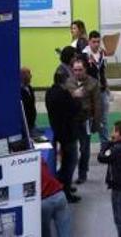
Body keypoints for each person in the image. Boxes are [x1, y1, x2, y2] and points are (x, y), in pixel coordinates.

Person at [46, 51, 84, 203]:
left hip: (59, 131)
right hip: (68, 133)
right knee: (70, 161)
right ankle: (66, 189)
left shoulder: (50, 92)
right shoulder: (63, 95)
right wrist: (76, 97)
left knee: (67, 161)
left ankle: (64, 184)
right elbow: (74, 108)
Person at [69, 57, 101, 184]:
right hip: (71, 121)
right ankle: (69, 173)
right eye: (75, 70)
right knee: (71, 148)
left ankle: (83, 173)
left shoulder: (93, 83)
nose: (77, 72)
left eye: (80, 70)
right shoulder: (69, 83)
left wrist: (96, 124)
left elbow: (97, 105)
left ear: (85, 70)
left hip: (85, 120)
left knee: (84, 149)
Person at [83, 30, 110, 143]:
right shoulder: (84, 55)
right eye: (94, 42)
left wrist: (107, 86)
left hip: (102, 91)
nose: (96, 44)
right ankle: (86, 146)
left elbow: (103, 71)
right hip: (89, 93)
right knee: (88, 119)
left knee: (103, 119)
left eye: (98, 42)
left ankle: (104, 146)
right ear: (89, 41)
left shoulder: (102, 54)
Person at [40, 158, 74, 237]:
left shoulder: (17, 168)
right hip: (59, 194)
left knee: (44, 232)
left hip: (43, 201)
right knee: (65, 233)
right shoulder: (38, 157)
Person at [20, 67, 37, 134]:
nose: (31, 76)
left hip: (32, 122)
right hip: (24, 123)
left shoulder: (30, 88)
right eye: (28, 74)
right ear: (22, 76)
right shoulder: (19, 91)